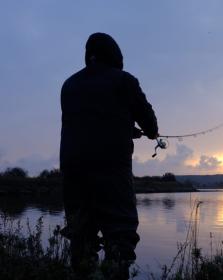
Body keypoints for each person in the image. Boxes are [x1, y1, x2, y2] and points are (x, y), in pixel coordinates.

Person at [60, 33, 158, 278]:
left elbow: (92, 121)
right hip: (112, 175)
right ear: (116, 56)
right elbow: (151, 125)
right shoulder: (124, 81)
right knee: (120, 237)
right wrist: (145, 131)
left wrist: (125, 128)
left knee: (81, 237)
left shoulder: (68, 85)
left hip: (73, 176)